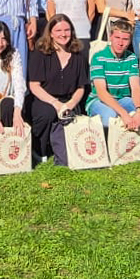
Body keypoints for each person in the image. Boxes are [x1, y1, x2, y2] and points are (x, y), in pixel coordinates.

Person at [27, 14, 88, 165]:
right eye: (58, 30)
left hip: (69, 98)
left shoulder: (78, 55)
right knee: (47, 114)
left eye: (67, 30)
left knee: (71, 116)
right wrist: (55, 103)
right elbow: (34, 85)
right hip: (45, 97)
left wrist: (71, 104)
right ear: (51, 33)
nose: (63, 34)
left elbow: (81, 87)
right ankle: (39, 148)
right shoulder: (40, 53)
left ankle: (63, 149)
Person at [87, 17, 140, 146]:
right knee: (110, 115)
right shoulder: (99, 57)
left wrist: (138, 110)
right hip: (99, 100)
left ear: (130, 40)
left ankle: (128, 142)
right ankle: (106, 143)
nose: (120, 43)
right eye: (117, 38)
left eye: (125, 39)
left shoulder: (131, 58)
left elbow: (136, 87)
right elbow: (101, 92)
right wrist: (124, 113)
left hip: (122, 98)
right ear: (111, 37)